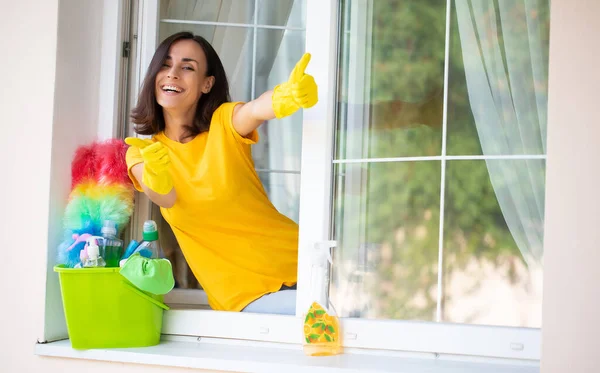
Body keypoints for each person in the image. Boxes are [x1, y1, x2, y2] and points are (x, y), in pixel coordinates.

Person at [124, 31, 318, 315]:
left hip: (305, 264)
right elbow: (164, 197)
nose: (173, 74)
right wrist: (157, 172)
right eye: (165, 65)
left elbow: (254, 110)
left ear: (207, 84)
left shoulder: (223, 123)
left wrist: (284, 97)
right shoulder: (142, 151)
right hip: (248, 296)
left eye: (187, 67)